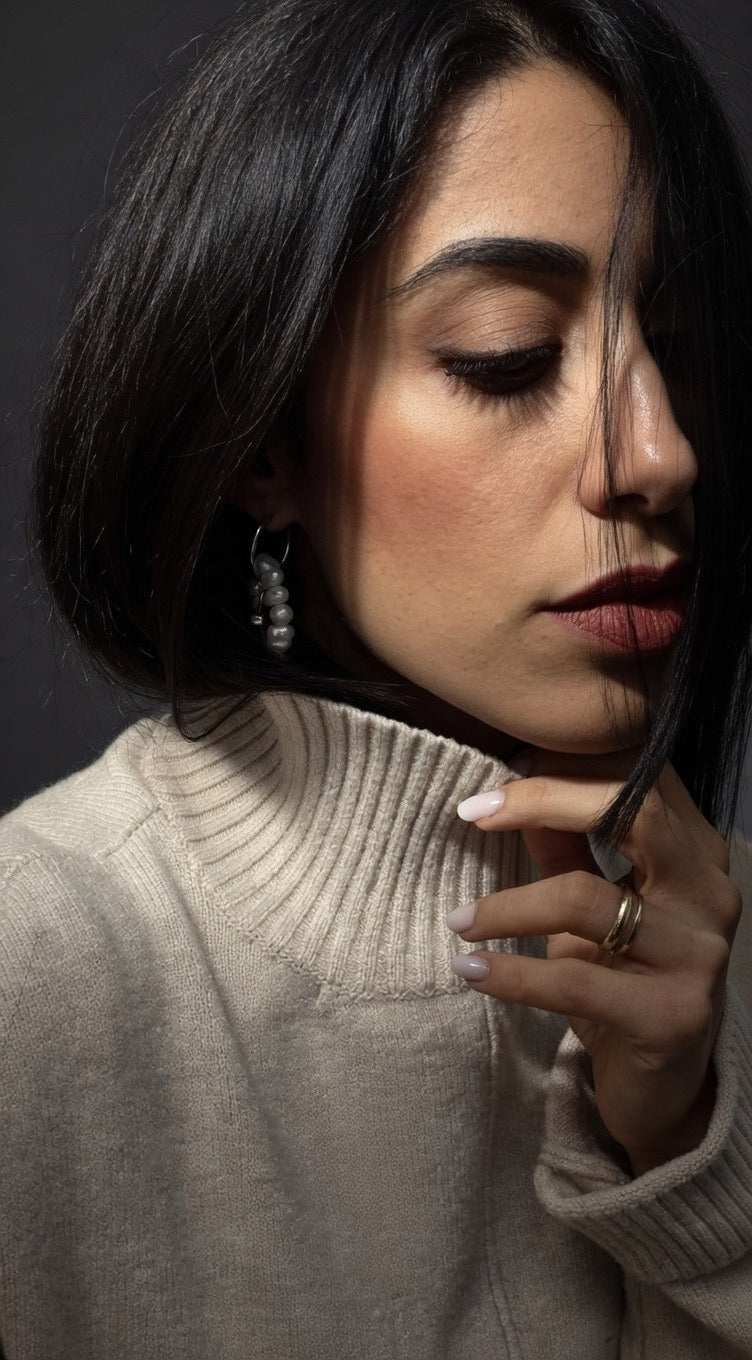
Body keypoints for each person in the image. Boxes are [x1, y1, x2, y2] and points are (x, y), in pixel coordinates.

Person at [3, 0, 752, 1354]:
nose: (659, 456)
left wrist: (693, 1148)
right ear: (262, 445)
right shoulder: (38, 966)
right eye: (507, 357)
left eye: (683, 349)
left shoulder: (729, 949)